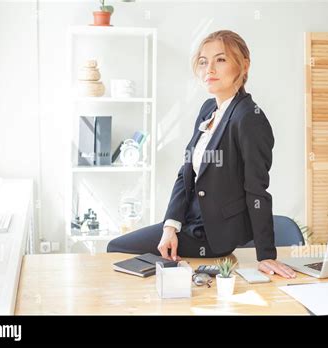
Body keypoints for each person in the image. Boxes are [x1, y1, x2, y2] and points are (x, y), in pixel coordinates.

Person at [107, 30, 296, 279]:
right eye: (204, 61)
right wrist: (170, 226)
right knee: (120, 250)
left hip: (212, 235)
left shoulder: (249, 118)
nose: (210, 69)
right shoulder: (208, 109)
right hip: (187, 224)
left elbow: (257, 190)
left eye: (220, 59)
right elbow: (185, 173)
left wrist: (266, 255)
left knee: (117, 249)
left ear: (244, 65)